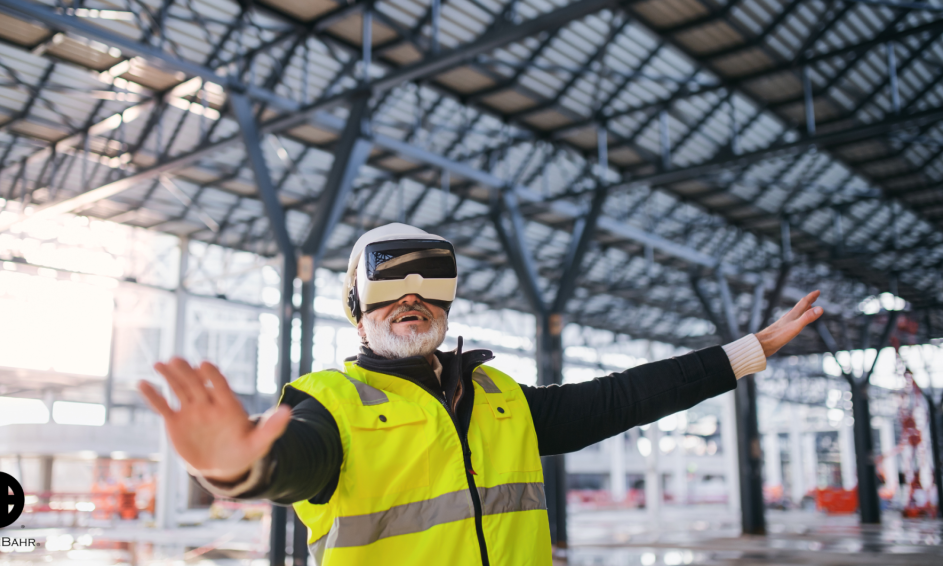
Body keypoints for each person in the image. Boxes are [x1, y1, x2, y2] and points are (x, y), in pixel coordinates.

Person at [138, 223, 823, 565]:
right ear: (355, 307)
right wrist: (235, 467)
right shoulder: (331, 406)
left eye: (430, 283)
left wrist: (746, 351)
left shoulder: (501, 399)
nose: (412, 297)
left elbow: (623, 398)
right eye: (389, 286)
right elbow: (292, 462)